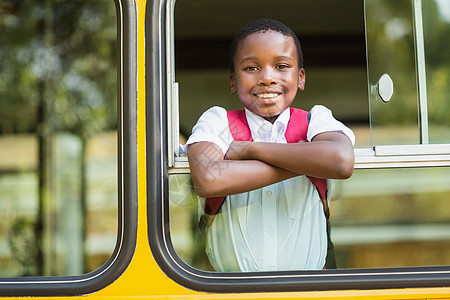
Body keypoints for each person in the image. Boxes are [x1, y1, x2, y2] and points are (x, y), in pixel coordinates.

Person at [183, 19, 355, 272]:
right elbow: (207, 178)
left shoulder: (315, 119)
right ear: (233, 81)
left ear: (300, 77)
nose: (266, 78)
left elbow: (340, 161)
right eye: (251, 68)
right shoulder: (218, 120)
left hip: (309, 290)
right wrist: (309, 162)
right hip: (227, 291)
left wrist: (249, 149)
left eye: (282, 66)